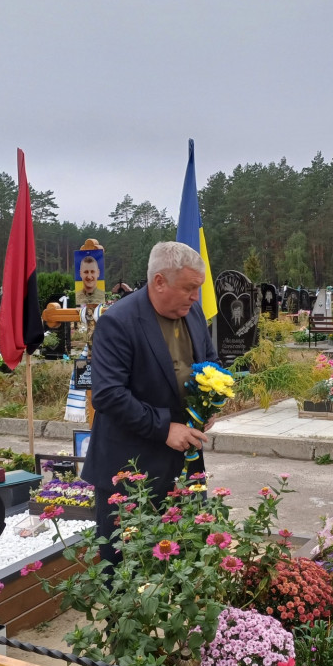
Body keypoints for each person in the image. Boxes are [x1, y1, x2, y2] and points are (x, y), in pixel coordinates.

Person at [81, 241, 219, 567]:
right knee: (127, 573)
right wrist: (164, 428)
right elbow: (108, 394)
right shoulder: (118, 321)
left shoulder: (192, 311)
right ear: (159, 281)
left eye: (197, 289)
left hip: (185, 465)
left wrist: (209, 401)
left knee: (186, 565)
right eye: (188, 288)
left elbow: (210, 361)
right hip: (130, 473)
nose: (195, 297)